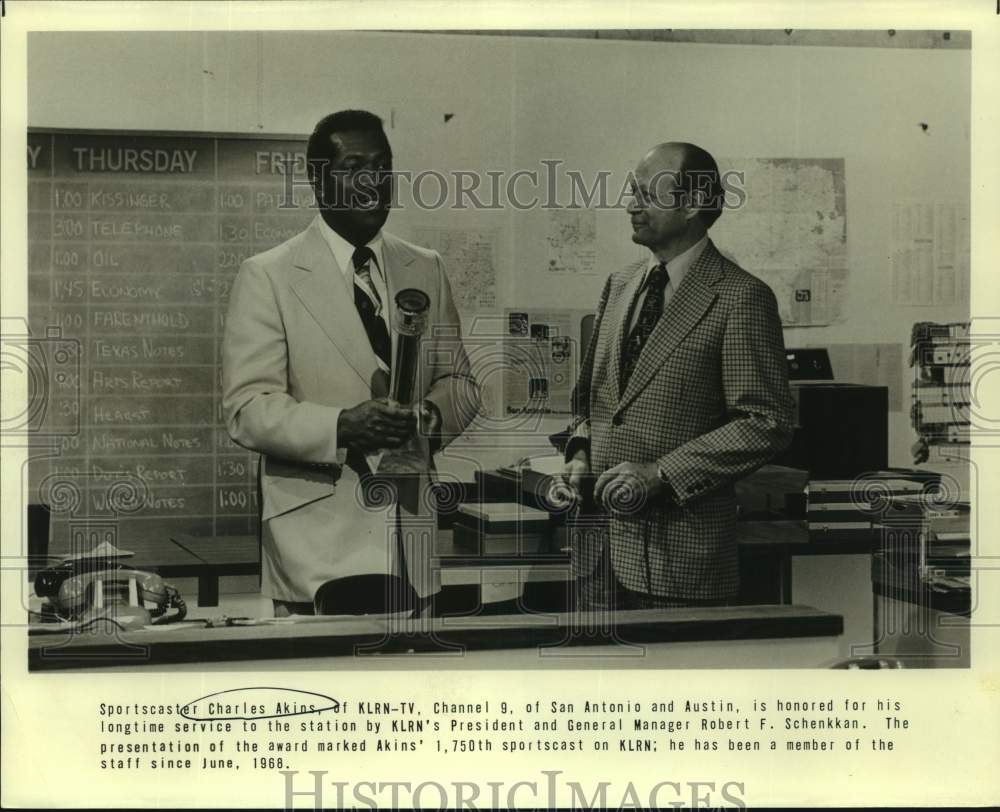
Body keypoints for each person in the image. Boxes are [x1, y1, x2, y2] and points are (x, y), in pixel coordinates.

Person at [222, 110, 479, 617]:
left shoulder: (426, 266)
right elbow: (248, 408)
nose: (372, 183)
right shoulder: (268, 275)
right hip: (317, 547)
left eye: (382, 168)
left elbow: (462, 384)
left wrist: (426, 417)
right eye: (355, 168)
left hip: (410, 538)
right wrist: (342, 425)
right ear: (317, 180)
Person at [560, 142, 795, 610]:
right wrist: (580, 453)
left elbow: (765, 422)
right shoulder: (619, 285)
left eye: (647, 194)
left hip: (681, 561)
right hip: (598, 557)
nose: (631, 205)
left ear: (692, 204)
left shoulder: (741, 297)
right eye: (633, 192)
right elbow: (592, 402)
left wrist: (662, 474)